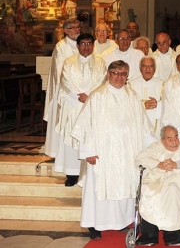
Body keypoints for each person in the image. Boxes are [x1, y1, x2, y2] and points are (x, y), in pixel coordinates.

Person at [71, 60, 155, 240]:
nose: (119, 77)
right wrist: (88, 151)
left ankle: (120, 222)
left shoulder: (132, 95)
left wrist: (152, 149)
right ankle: (94, 224)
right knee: (98, 188)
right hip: (102, 154)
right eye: (115, 73)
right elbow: (85, 125)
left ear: (127, 76)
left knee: (125, 186)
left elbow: (143, 126)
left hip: (127, 153)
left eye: (123, 73)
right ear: (108, 75)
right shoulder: (98, 96)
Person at [134, 125, 180, 246]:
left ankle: (173, 234)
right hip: (157, 178)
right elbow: (140, 158)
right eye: (169, 139)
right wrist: (159, 164)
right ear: (162, 140)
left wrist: (177, 164)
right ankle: (150, 234)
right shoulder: (156, 147)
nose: (174, 142)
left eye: (176, 137)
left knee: (172, 190)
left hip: (178, 177)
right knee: (148, 191)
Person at [54, 33, 106, 186]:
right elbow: (65, 81)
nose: (86, 47)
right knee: (72, 138)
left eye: (89, 43)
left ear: (93, 45)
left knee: (90, 137)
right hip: (73, 105)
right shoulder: (68, 62)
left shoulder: (100, 62)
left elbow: (102, 80)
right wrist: (79, 95)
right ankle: (72, 173)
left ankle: (90, 172)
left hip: (92, 105)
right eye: (82, 44)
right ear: (77, 46)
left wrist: (89, 95)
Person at [44, 18, 81, 157]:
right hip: (65, 93)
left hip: (80, 91)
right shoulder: (61, 47)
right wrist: (74, 88)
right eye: (73, 27)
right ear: (65, 31)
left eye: (78, 27)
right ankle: (61, 154)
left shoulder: (81, 44)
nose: (76, 30)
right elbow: (61, 71)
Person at [129, 56, 164, 134]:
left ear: (155, 69)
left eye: (151, 66)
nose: (147, 69)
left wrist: (158, 105)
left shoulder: (162, 85)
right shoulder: (130, 85)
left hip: (156, 129)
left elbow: (168, 106)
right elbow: (126, 106)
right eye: (144, 66)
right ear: (140, 68)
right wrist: (143, 105)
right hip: (136, 128)